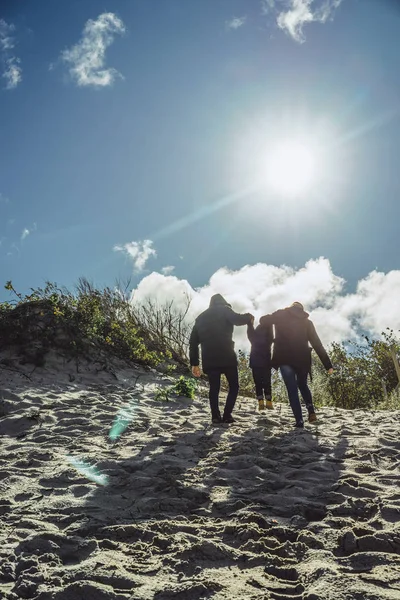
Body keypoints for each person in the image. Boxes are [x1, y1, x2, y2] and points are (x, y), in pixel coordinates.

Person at [260, 302, 333, 428]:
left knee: (292, 389)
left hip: (284, 358)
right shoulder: (307, 322)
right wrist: (328, 365)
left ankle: (299, 421)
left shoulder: (280, 315)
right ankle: (311, 411)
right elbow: (317, 344)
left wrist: (276, 316)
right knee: (303, 385)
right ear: (302, 310)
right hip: (302, 359)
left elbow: (263, 320)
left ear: (290, 307)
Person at [190, 294, 254, 424]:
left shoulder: (200, 318)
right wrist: (249, 317)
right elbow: (237, 319)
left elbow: (193, 343)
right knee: (234, 386)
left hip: (209, 358)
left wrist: (194, 363)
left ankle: (215, 416)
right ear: (223, 302)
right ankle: (227, 415)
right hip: (227, 356)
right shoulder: (225, 309)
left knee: (214, 388)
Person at [247, 317, 274, 411]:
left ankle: (260, 403)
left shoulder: (256, 331)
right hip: (266, 360)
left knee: (257, 382)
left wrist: (250, 324)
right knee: (267, 382)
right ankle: (269, 402)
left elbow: (250, 335)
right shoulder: (269, 332)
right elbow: (271, 337)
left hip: (255, 361)